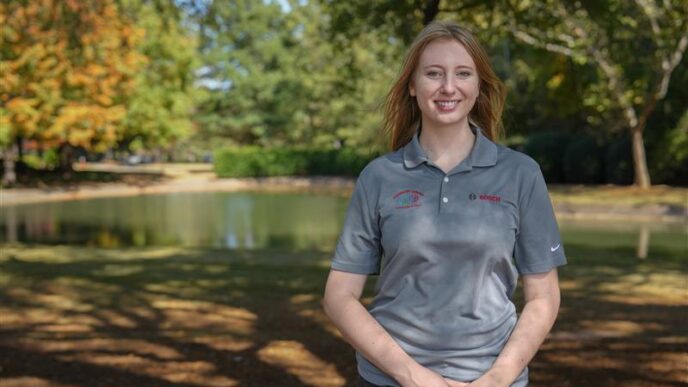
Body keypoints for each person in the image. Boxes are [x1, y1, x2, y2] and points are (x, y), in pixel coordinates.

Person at [323, 21, 566, 387]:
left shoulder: (521, 174)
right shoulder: (379, 177)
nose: (448, 87)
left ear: (479, 84)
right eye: (433, 73)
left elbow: (544, 297)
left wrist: (498, 379)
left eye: (463, 73)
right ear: (411, 85)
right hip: (390, 380)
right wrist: (413, 376)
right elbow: (339, 296)